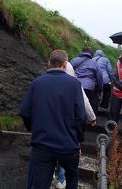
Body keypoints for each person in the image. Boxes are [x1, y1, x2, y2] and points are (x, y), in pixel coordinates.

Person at [20, 50, 86, 189]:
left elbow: (24, 111)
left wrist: (33, 129)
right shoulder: (74, 84)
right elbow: (80, 116)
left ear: (48, 63)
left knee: (40, 184)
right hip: (68, 145)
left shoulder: (37, 83)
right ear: (65, 64)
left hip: (42, 144)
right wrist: (78, 140)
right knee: (72, 177)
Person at [55, 62, 96, 189]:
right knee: (66, 152)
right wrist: (92, 117)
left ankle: (50, 173)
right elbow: (84, 102)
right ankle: (61, 180)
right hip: (68, 125)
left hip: (52, 124)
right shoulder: (74, 84)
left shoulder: (48, 81)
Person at [70, 47, 103, 117]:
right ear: (91, 53)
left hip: (75, 86)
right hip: (88, 88)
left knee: (74, 105)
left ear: (82, 51)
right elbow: (99, 77)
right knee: (92, 100)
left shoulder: (74, 60)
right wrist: (99, 90)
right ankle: (92, 117)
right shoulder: (94, 63)